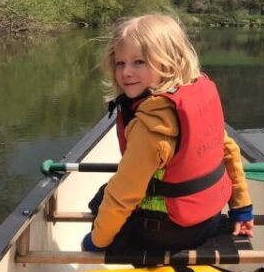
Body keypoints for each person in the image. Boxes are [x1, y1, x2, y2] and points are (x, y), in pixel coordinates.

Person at [81, 14, 254, 253]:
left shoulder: (153, 123)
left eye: (139, 62)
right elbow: (229, 150)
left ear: (170, 61)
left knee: (102, 202)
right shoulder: (195, 97)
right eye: (120, 63)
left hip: (166, 233)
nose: (126, 72)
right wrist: (242, 208)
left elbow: (124, 194)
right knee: (104, 195)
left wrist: (97, 240)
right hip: (209, 219)